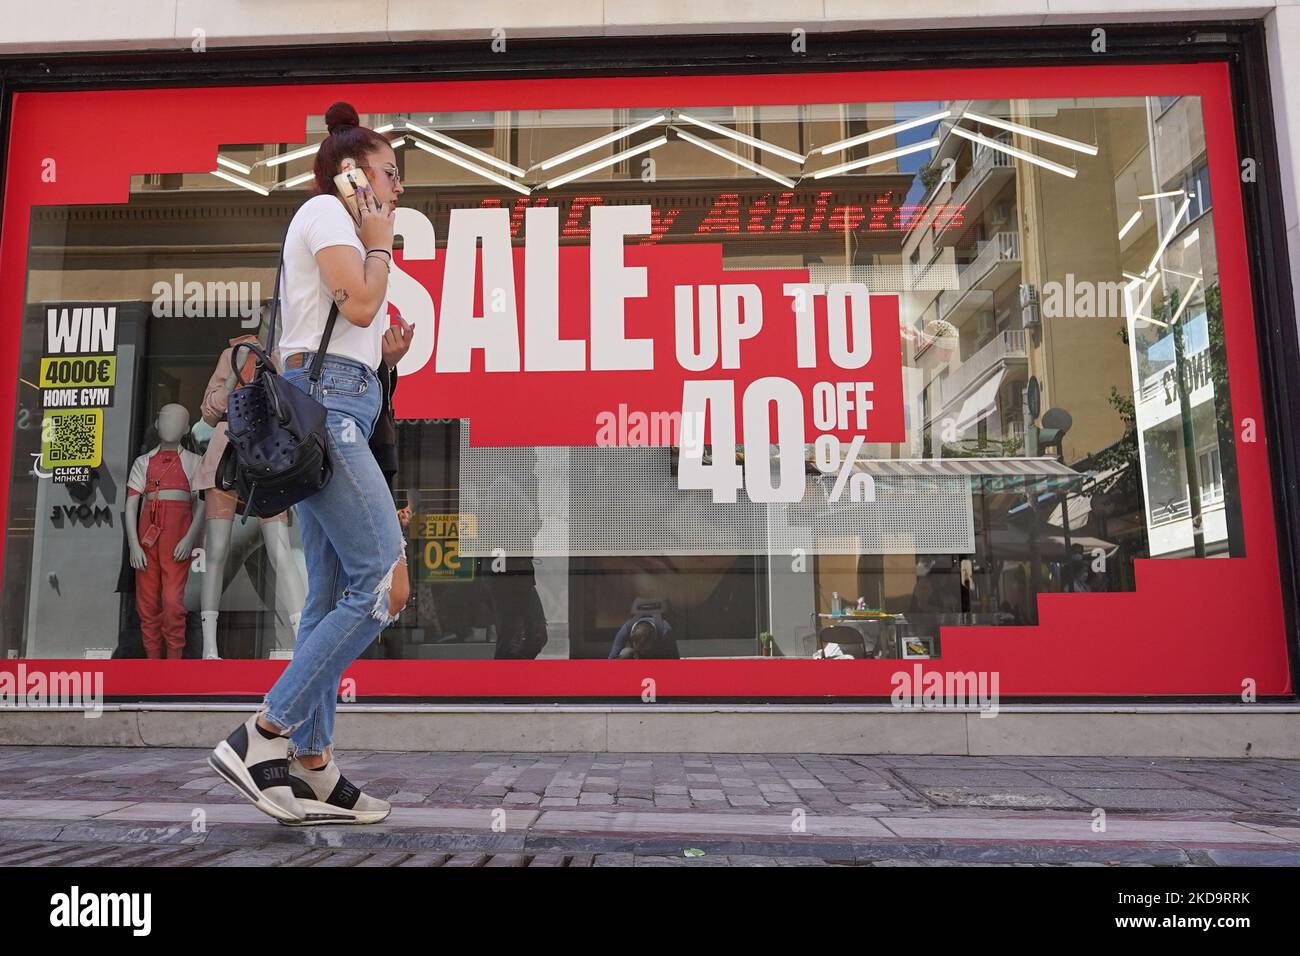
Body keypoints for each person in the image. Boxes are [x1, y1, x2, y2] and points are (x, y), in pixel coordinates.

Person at [208, 102, 408, 826]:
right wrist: (380, 243)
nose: (399, 186)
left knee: (328, 597)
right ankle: (262, 733)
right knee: (384, 582)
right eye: (390, 172)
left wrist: (385, 366)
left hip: (338, 408)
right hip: (326, 408)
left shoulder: (339, 228)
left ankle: (316, 765)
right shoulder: (328, 215)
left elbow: (351, 334)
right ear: (353, 173)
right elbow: (357, 303)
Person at [608, 609, 678, 660]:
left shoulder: (665, 630)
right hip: (636, 660)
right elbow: (612, 657)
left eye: (645, 650)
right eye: (639, 649)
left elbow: (675, 657)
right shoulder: (627, 628)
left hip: (659, 657)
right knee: (625, 653)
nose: (643, 653)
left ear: (654, 638)